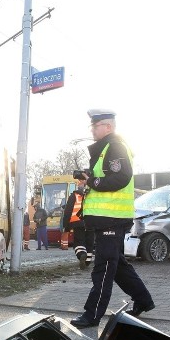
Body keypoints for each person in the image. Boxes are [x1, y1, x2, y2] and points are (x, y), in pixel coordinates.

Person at [70, 109, 154, 328]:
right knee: (117, 266)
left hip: (112, 218)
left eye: (95, 126)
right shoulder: (107, 148)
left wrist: (93, 182)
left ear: (108, 126)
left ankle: (92, 315)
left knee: (104, 267)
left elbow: (121, 177)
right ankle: (143, 301)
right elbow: (109, 175)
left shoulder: (115, 146)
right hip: (108, 218)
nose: (92, 129)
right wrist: (89, 176)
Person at [61, 176, 95, 269]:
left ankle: (81, 255)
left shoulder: (74, 195)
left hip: (78, 222)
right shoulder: (93, 195)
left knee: (79, 242)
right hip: (91, 222)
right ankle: (87, 261)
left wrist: (66, 226)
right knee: (89, 242)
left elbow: (68, 211)